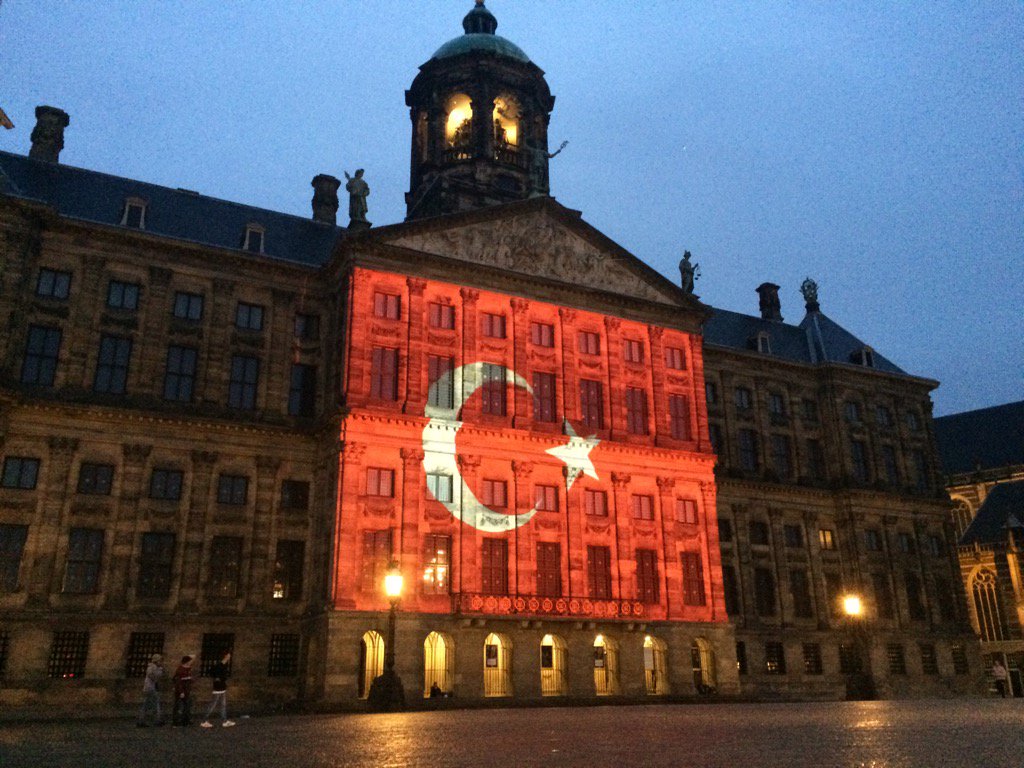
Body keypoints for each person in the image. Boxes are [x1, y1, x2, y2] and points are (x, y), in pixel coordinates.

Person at [200, 652, 235, 728]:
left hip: (222, 687)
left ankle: (224, 720)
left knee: (222, 705)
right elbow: (211, 671)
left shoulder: (223, 665)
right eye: (228, 656)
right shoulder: (219, 665)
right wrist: (217, 678)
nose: (229, 657)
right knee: (213, 704)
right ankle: (204, 720)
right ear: (225, 656)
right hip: (218, 687)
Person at [136, 653, 164, 727]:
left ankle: (141, 721)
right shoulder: (153, 668)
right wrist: (160, 670)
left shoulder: (151, 667)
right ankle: (158, 720)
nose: (161, 663)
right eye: (160, 661)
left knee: (145, 705)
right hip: (151, 688)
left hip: (148, 688)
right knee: (156, 704)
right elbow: (154, 676)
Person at [171, 655, 194, 726]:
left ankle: (185, 720)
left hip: (187, 690)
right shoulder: (180, 670)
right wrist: (181, 692)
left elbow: (189, 678)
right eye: (190, 661)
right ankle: (176, 721)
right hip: (181, 690)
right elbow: (178, 681)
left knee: (187, 706)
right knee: (178, 706)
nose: (191, 662)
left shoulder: (188, 669)